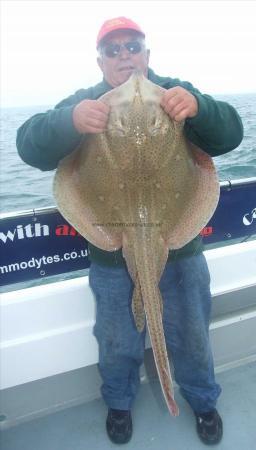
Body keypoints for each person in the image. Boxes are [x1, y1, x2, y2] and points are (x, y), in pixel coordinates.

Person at [16, 17, 243, 446]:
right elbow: (28, 145)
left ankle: (202, 400)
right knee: (117, 337)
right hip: (111, 250)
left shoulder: (175, 93)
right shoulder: (85, 101)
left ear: (147, 55)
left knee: (192, 330)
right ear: (100, 61)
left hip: (180, 245)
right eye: (114, 50)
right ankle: (119, 403)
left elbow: (232, 133)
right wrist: (71, 120)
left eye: (133, 47)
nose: (125, 57)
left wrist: (198, 106)